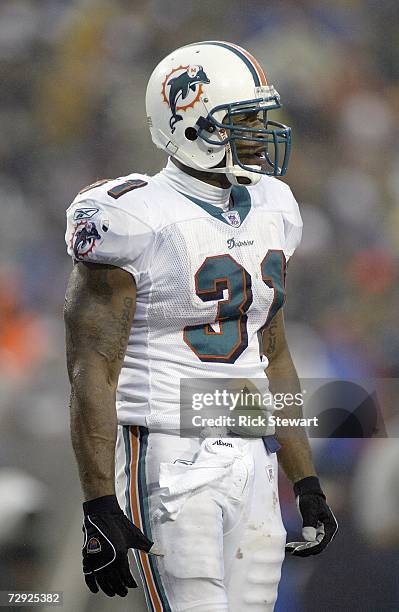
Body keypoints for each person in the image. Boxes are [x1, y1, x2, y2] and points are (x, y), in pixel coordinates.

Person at [64, 41, 337, 612]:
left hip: (253, 452)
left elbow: (274, 353)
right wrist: (99, 503)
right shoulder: (132, 215)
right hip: (166, 452)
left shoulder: (274, 204)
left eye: (261, 118)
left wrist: (304, 480)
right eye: (242, 121)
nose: (260, 132)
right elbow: (92, 369)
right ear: (187, 124)